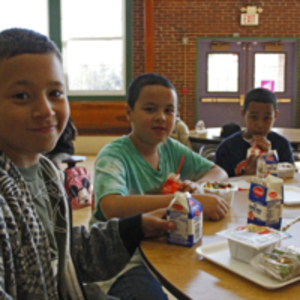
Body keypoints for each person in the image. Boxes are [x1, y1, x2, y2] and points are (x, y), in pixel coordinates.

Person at [0, 28, 175, 300]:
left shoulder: (47, 174)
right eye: (22, 96)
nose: (46, 110)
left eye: (55, 92)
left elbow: (66, 254)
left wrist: (135, 227)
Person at [92, 73, 229, 299]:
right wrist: (185, 201)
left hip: (165, 247)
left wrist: (197, 186)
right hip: (122, 261)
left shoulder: (170, 148)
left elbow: (219, 172)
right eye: (150, 109)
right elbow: (112, 206)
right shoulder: (113, 155)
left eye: (169, 110)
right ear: (129, 112)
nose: (161, 118)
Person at [214, 88, 295, 177]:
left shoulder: (282, 145)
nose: (260, 125)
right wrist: (248, 175)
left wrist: (269, 158)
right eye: (254, 117)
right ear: (243, 114)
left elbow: (291, 180)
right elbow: (220, 185)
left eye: (266, 118)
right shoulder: (227, 148)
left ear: (275, 116)